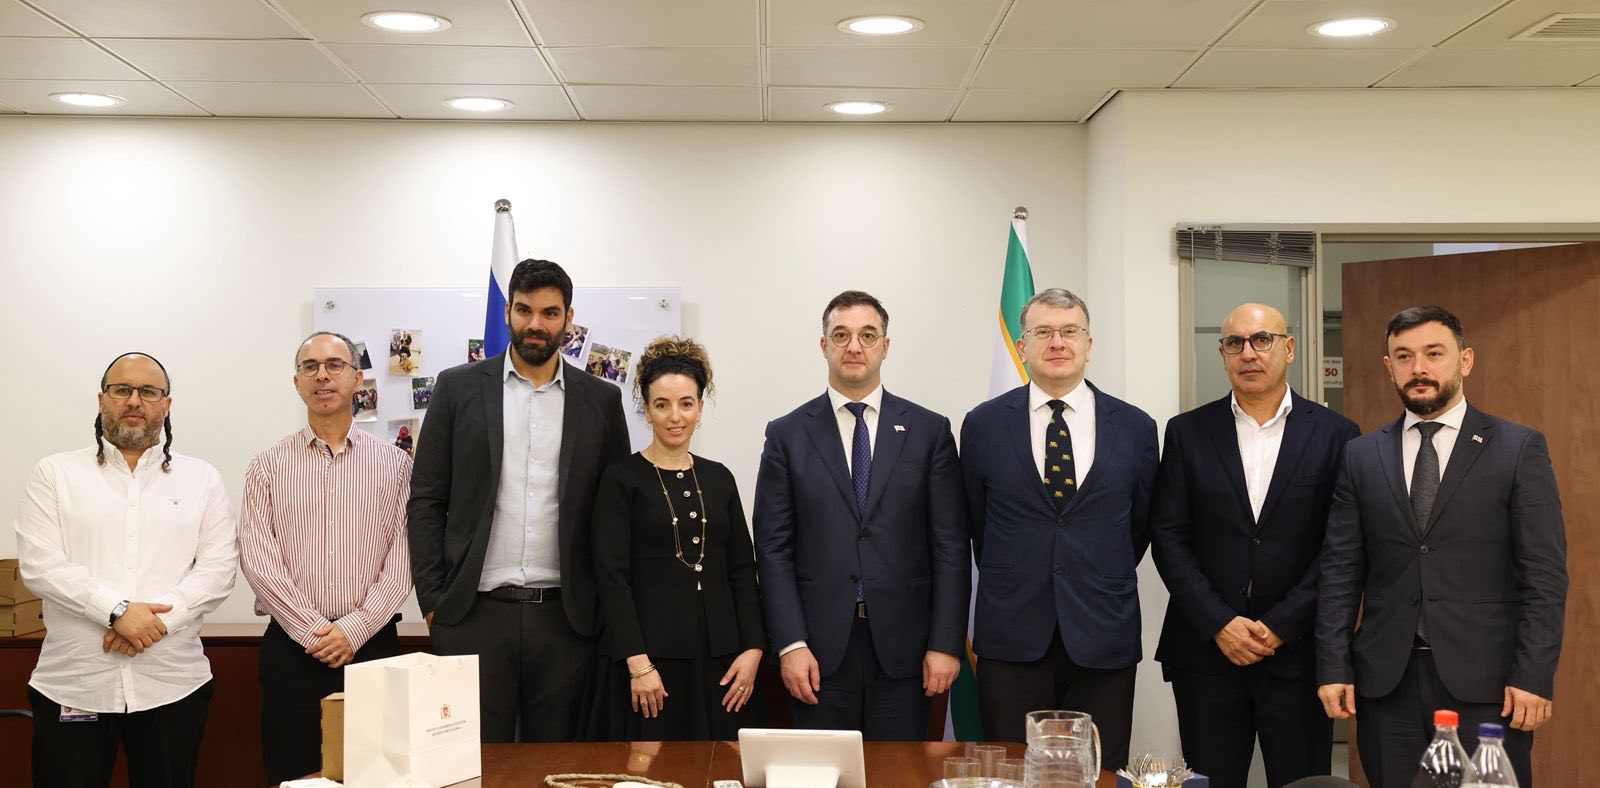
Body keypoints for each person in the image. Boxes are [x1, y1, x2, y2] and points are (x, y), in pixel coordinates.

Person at [1316, 306, 1567, 788]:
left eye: (1434, 354)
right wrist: (1332, 665)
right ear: (1388, 366)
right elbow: (1340, 572)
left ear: (1465, 360)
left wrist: (1533, 675)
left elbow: (1544, 576)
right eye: (1404, 356)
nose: (1419, 368)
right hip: (1386, 683)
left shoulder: (1518, 448)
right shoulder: (1361, 455)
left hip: (1489, 686)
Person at [409, 258, 631, 742]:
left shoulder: (601, 400)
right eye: (525, 310)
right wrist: (433, 602)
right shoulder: (457, 388)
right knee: (471, 764)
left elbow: (616, 515)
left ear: (569, 319)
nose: (536, 324)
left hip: (567, 621)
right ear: (508, 310)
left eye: (550, 313)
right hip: (472, 616)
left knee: (556, 766)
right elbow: (426, 498)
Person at [1150, 304, 1359, 787]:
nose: (1249, 353)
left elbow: (1340, 548)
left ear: (1289, 348)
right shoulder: (1187, 432)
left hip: (1297, 654)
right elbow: (1168, 536)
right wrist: (1219, 623)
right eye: (1235, 343)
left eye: (1262, 339)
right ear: (1222, 354)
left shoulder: (1337, 435)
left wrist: (1282, 624)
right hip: (1207, 655)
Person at [753, 290, 969, 740]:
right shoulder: (787, 435)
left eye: (868, 335)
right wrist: (790, 644)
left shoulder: (929, 432)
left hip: (908, 651)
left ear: (885, 346)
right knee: (821, 771)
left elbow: (950, 545)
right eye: (841, 335)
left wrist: (946, 643)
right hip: (816, 653)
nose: (854, 346)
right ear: (823, 345)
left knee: (900, 772)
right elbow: (772, 550)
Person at [15, 352, 238, 788]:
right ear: (102, 399)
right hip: (75, 683)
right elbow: (40, 564)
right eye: (122, 390)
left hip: (172, 684)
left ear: (166, 405)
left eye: (148, 391)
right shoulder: (55, 473)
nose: (134, 400)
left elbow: (219, 568)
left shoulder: (202, 479)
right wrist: (116, 611)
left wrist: (152, 623)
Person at [959, 288, 1158, 767]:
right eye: (1043, 332)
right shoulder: (983, 425)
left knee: (1097, 771)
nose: (1057, 342)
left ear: (1089, 343)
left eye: (1070, 331)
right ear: (1022, 346)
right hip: (1012, 637)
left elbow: (1140, 526)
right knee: (1011, 771)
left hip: (1102, 634)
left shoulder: (1136, 427)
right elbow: (975, 523)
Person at [239, 331, 414, 784]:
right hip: (292, 649)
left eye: (335, 365)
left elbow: (403, 560)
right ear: (296, 382)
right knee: (294, 774)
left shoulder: (396, 465)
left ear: (357, 378)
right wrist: (313, 632)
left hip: (372, 646)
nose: (322, 375)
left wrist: (353, 630)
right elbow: (258, 559)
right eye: (310, 366)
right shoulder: (267, 465)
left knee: (378, 776)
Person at [590, 336, 766, 739]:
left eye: (686, 404)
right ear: (646, 409)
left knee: (720, 767)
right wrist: (638, 663)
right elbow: (611, 578)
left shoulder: (719, 478)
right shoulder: (620, 479)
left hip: (724, 662)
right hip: (649, 663)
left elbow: (742, 570)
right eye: (662, 404)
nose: (675, 416)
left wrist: (754, 649)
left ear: (700, 407)